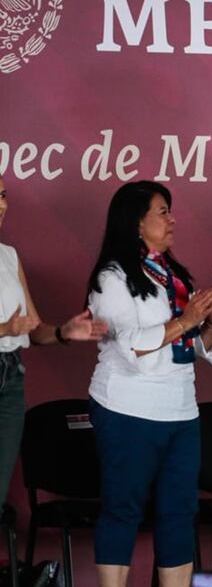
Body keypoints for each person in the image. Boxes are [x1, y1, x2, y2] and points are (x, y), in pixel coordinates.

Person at [86, 181, 212, 587]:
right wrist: (189, 320)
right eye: (162, 211)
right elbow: (132, 345)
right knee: (123, 508)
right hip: (127, 408)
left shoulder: (172, 274)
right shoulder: (111, 277)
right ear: (136, 222)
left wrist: (211, 323)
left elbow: (192, 346)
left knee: (179, 510)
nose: (172, 219)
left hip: (179, 410)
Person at [0, 176, 107, 506]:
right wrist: (5, 328)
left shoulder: (8, 256)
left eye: (3, 195)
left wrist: (63, 332)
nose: (3, 205)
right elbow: (12, 326)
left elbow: (32, 329)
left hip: (10, 378)